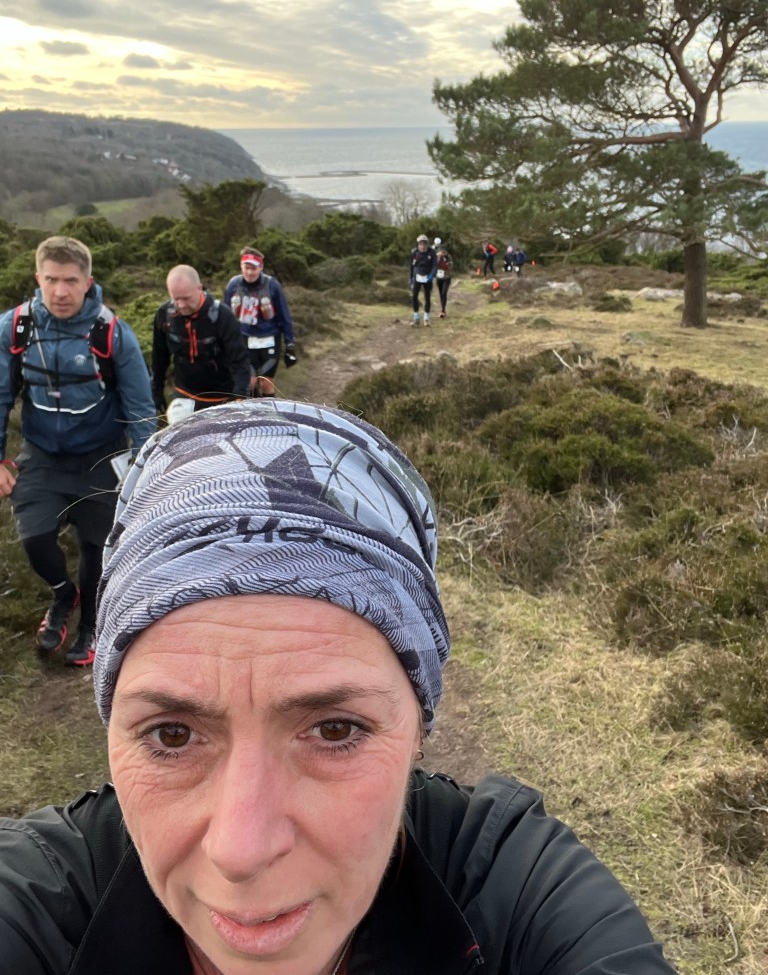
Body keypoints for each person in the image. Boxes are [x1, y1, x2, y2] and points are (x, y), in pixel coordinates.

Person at [0, 399, 677, 975]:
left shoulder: (513, 885)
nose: (242, 849)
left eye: (334, 729)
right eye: (172, 735)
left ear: (418, 726)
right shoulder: (40, 899)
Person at [0, 236, 155, 667]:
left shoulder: (112, 333)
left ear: (88, 282)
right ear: (38, 278)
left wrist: (142, 469)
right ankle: (62, 594)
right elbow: (0, 396)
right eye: (52, 280)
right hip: (42, 454)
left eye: (71, 280)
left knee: (95, 546)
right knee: (34, 538)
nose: (61, 291)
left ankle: (90, 624)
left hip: (101, 456)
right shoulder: (15, 327)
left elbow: (141, 409)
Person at [152, 265, 253, 421]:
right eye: (176, 299)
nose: (181, 305)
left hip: (222, 397)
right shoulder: (164, 315)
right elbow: (159, 358)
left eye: (186, 298)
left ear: (199, 288)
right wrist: (156, 391)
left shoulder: (223, 317)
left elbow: (240, 362)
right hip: (185, 395)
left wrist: (239, 399)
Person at [223, 247, 297, 381]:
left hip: (270, 339)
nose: (249, 272)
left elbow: (284, 316)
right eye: (246, 268)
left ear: (261, 267)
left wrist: (289, 344)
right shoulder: (233, 285)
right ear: (241, 266)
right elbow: (225, 316)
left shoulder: (273, 285)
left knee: (265, 382)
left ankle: (267, 395)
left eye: (254, 268)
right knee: (249, 382)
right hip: (244, 339)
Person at [408, 233, 436, 327]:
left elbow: (434, 266)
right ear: (418, 244)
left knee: (427, 297)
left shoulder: (432, 253)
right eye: (421, 244)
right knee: (414, 296)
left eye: (424, 244)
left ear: (427, 244)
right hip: (417, 277)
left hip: (427, 277)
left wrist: (432, 275)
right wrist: (410, 278)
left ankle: (426, 318)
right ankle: (416, 318)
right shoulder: (414, 252)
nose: (423, 246)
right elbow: (411, 266)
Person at [435, 243, 452, 318]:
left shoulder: (448, 257)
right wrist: (438, 258)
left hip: (446, 278)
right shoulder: (436, 257)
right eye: (441, 251)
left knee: (444, 293)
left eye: (444, 251)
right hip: (439, 278)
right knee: (440, 294)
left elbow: (450, 266)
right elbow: (434, 266)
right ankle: (442, 308)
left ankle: (443, 310)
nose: (443, 253)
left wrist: (444, 262)